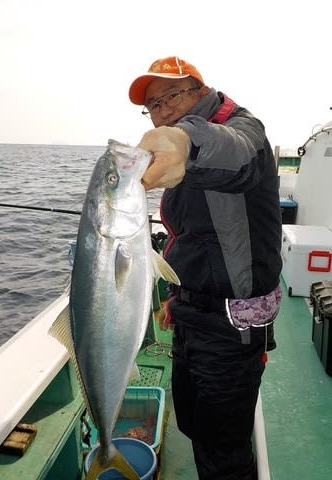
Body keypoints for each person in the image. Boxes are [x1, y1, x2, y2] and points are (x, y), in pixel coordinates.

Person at [128, 56, 282, 480]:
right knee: (193, 424)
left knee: (224, 450)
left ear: (200, 89)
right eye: (153, 106)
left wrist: (185, 142)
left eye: (171, 94)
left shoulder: (242, 129)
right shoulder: (177, 154)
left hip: (232, 325)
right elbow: (190, 238)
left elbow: (233, 153)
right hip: (192, 315)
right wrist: (176, 301)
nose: (162, 110)